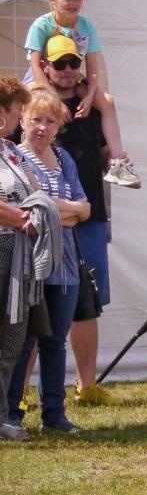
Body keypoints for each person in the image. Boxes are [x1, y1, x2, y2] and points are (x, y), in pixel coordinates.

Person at [6, 88, 90, 435]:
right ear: (22, 119)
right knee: (23, 340)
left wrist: (60, 209)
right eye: (36, 119)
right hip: (31, 262)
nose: (43, 127)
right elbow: (35, 209)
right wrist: (62, 210)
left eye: (50, 121)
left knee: (55, 341)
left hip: (66, 265)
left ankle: (54, 413)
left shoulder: (63, 158)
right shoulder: (16, 158)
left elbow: (85, 209)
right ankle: (11, 411)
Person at [38, 35, 115, 406]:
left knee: (89, 302)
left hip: (90, 215)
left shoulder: (95, 106)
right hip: (48, 221)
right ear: (46, 68)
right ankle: (21, 389)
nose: (68, 72)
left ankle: (88, 386)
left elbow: (108, 152)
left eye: (73, 64)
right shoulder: (37, 108)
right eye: (60, 65)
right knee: (38, 302)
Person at [25, 0, 140, 188]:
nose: (72, 3)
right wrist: (54, 100)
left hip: (75, 77)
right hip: (40, 76)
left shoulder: (86, 25)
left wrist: (88, 97)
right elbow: (35, 65)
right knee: (26, 102)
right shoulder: (41, 25)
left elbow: (93, 69)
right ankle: (21, 156)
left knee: (106, 100)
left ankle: (117, 163)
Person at [0, 76, 37, 442]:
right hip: (3, 244)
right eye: (16, 112)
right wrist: (26, 219)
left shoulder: (9, 151)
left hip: (18, 252)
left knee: (15, 335)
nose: (18, 120)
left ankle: (5, 416)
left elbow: (36, 191)